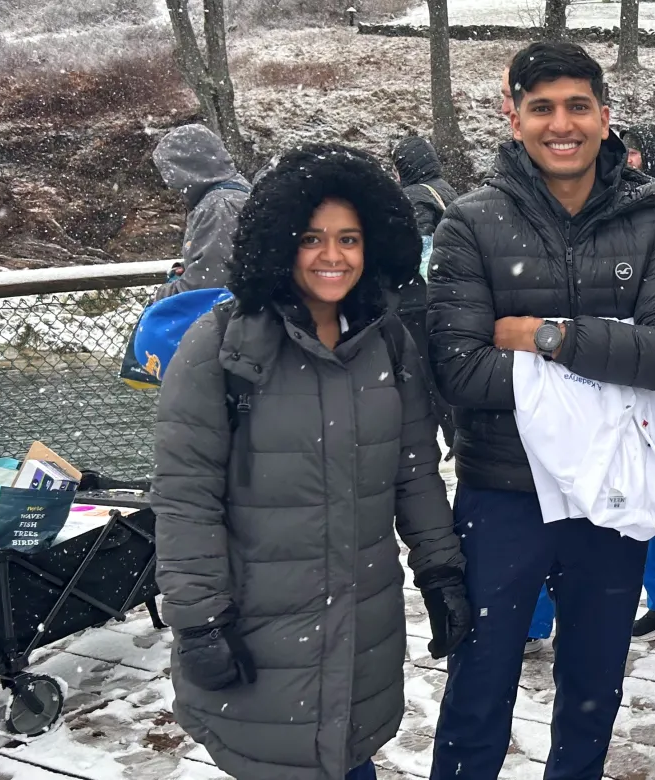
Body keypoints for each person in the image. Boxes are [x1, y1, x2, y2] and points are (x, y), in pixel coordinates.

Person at [152, 144, 470, 780]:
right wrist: (198, 620)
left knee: (351, 757)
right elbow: (186, 496)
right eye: (312, 239)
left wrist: (440, 569)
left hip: (362, 620)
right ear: (279, 242)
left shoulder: (387, 341)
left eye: (349, 239)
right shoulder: (220, 346)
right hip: (262, 623)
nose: (333, 256)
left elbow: (413, 469)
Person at [424, 41, 655, 780]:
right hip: (504, 492)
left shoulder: (647, 222)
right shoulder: (471, 224)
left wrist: (549, 338)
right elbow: (460, 370)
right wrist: (609, 362)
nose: (561, 124)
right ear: (514, 119)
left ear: (605, 117)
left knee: (593, 690)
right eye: (541, 108)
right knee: (479, 687)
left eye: (578, 106)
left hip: (611, 492)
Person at [390, 134, 461, 450]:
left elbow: (422, 249)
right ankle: (462, 433)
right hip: (453, 297)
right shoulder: (445, 190)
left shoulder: (414, 195)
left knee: (430, 377)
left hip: (419, 302)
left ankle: (455, 438)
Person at [151, 124, 250, 301]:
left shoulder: (219, 207)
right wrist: (190, 266)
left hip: (232, 313)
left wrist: (162, 296)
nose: (168, 182)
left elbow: (205, 287)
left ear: (183, 168)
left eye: (169, 171)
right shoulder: (234, 191)